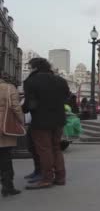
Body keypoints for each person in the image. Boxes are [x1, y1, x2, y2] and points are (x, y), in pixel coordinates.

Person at [23, 58, 70, 190]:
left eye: (30, 67)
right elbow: (66, 96)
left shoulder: (31, 81)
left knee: (44, 150)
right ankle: (61, 177)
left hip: (41, 120)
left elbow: (30, 104)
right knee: (56, 148)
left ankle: (46, 179)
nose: (30, 69)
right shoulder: (60, 80)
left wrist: (23, 109)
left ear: (35, 67)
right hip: (59, 120)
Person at [0, 75, 25, 197]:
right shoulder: (9, 88)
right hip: (4, 128)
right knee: (5, 157)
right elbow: (16, 107)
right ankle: (7, 186)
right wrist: (21, 121)